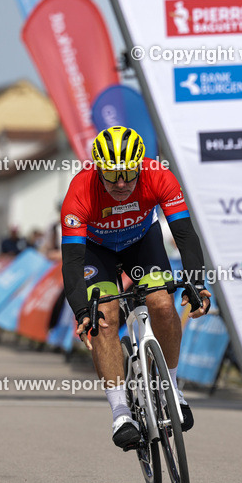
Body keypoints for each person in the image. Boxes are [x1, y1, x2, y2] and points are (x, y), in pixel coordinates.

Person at [60, 126, 211, 450]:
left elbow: (184, 235)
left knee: (161, 304)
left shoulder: (159, 176)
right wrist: (81, 311)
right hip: (95, 250)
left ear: (140, 166)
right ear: (98, 168)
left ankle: (171, 389)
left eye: (129, 173)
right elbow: (71, 261)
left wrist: (196, 284)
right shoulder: (80, 191)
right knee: (105, 317)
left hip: (141, 243)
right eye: (112, 175)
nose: (121, 183)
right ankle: (121, 413)